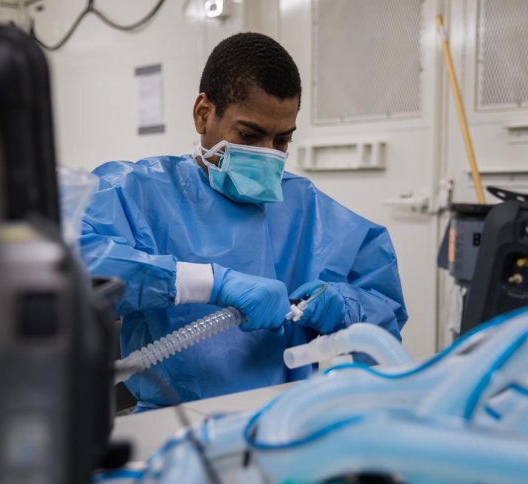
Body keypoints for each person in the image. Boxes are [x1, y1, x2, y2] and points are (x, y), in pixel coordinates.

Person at [80, 32, 407, 411]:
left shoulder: (303, 206)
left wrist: (344, 306)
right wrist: (209, 283)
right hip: (177, 422)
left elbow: (383, 301)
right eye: (249, 136)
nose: (267, 155)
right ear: (203, 113)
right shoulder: (139, 192)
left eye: (282, 140)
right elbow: (74, 262)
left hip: (284, 416)